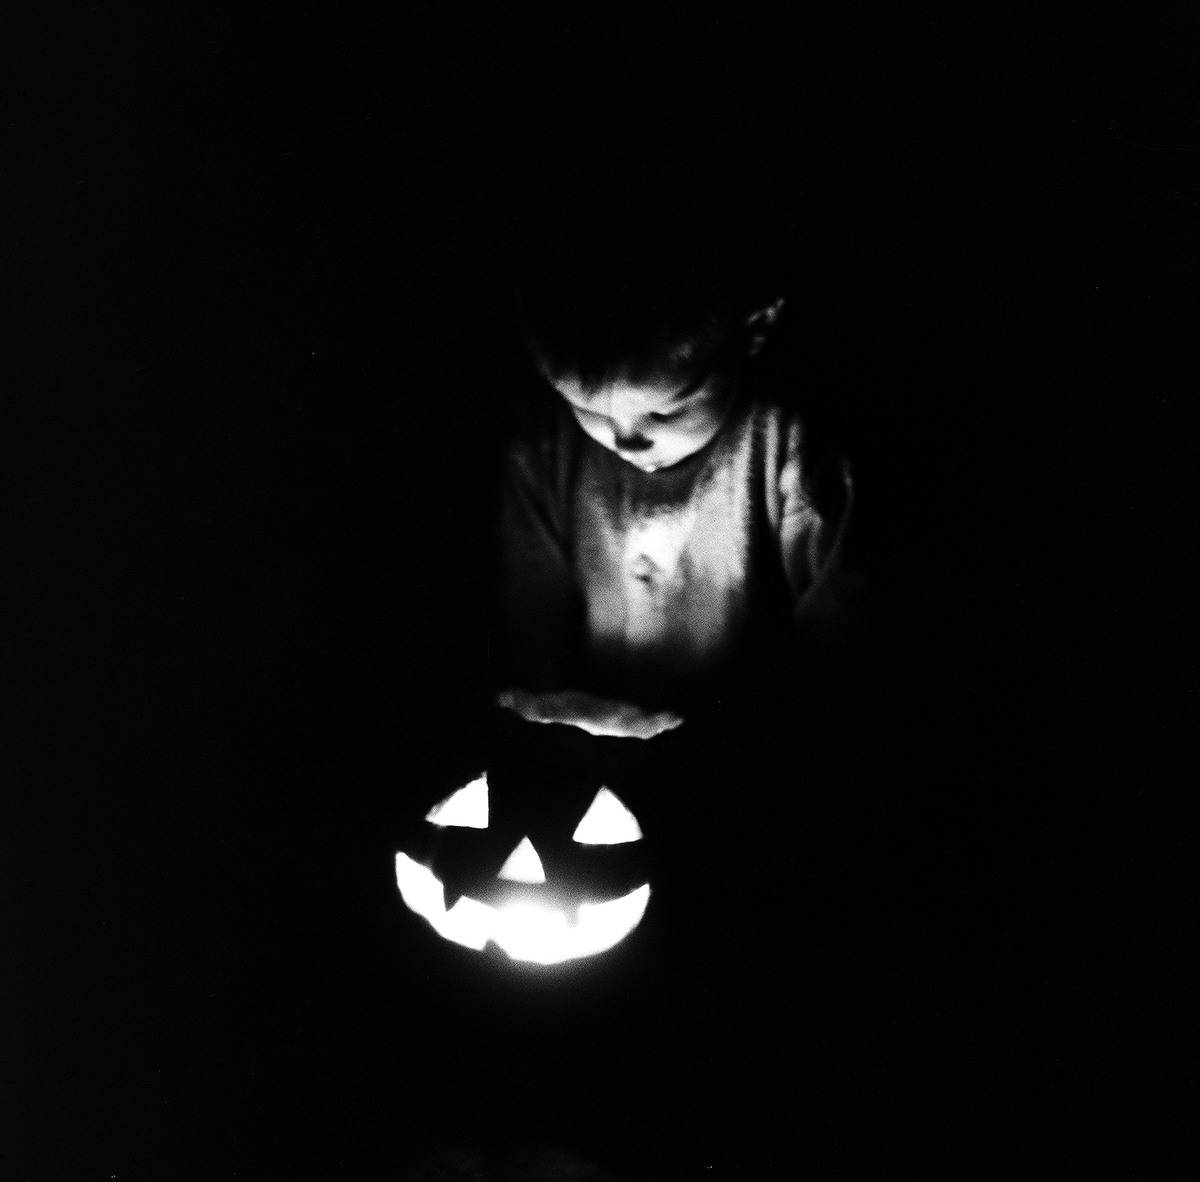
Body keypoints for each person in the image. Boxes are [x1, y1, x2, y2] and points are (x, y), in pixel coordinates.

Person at [489, 187, 860, 751]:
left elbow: (839, 663)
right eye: (587, 409)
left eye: (667, 408)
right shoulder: (543, 454)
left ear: (754, 329)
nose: (627, 439)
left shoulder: (797, 458)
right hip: (592, 766)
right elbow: (531, 638)